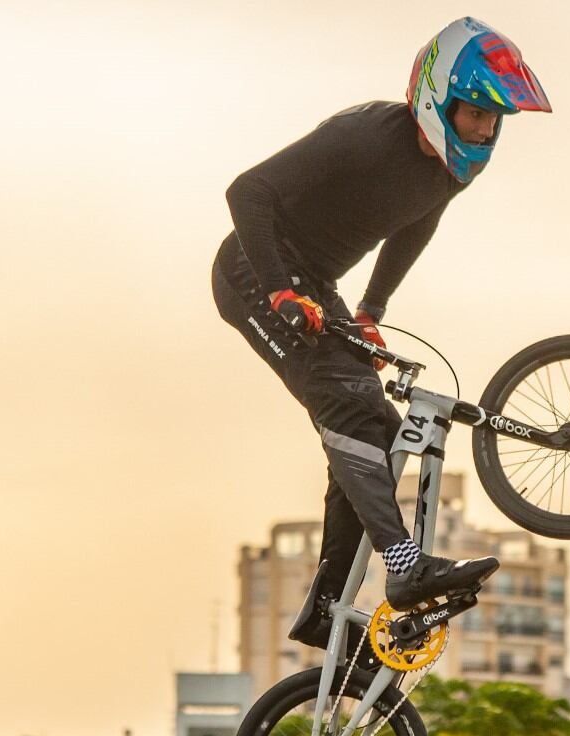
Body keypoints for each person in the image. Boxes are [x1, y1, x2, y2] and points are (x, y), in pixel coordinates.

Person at [211, 17, 551, 647]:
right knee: (348, 399)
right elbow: (247, 192)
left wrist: (370, 309)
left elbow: (414, 226)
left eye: (495, 118)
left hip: (320, 288)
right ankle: (403, 567)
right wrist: (281, 289)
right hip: (254, 270)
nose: (485, 129)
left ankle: (325, 608)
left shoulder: (454, 171)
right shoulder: (363, 135)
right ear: (436, 96)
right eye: (476, 112)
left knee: (380, 433)